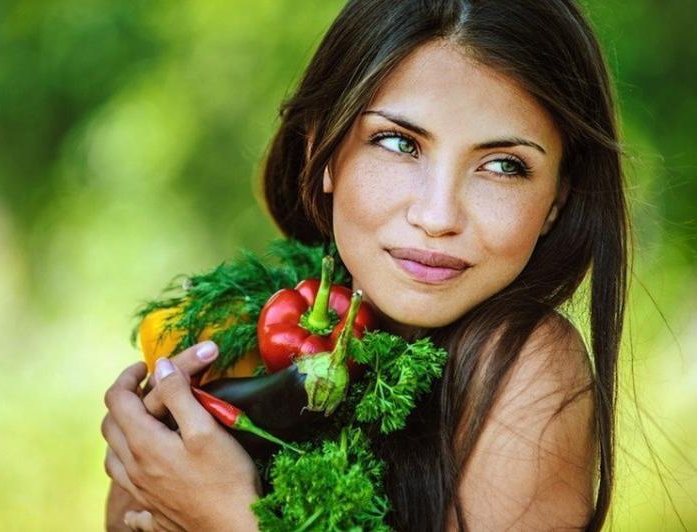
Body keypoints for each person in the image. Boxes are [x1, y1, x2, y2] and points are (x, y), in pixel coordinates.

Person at [101, 0, 628, 529]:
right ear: (322, 154)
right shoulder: (261, 326)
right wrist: (148, 463)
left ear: (557, 198)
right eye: (399, 143)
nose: (437, 215)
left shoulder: (526, 363)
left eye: (502, 165)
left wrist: (231, 518)